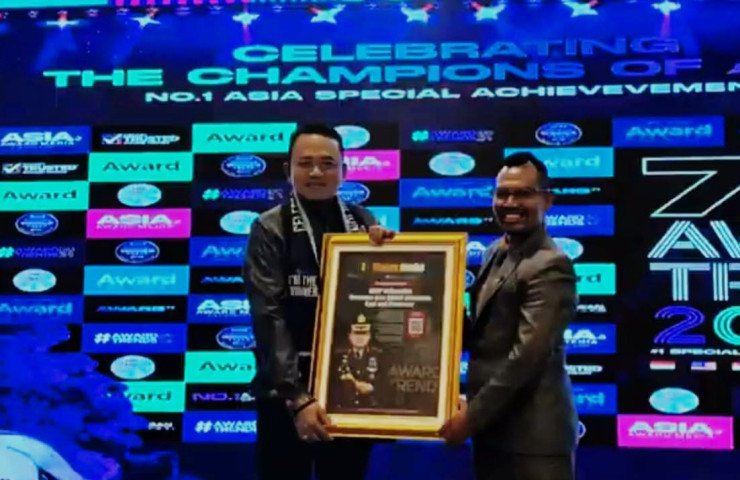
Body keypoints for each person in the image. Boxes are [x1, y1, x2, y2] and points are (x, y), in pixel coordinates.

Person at [243, 123, 393, 480]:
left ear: (344, 171)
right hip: (285, 394)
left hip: (349, 386)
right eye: (304, 163)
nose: (315, 172)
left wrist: (390, 255)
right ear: (288, 170)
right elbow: (269, 315)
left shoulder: (362, 221)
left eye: (327, 164)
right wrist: (298, 398)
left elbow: (382, 301)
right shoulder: (270, 226)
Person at [439, 152, 579, 480]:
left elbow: (526, 357)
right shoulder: (495, 251)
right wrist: (427, 295)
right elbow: (483, 335)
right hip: (494, 432)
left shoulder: (550, 264)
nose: (510, 203)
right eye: (502, 194)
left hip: (533, 440)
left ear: (547, 200)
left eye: (523, 193)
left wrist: (471, 418)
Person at [333, 313, 383, 410]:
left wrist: (355, 383)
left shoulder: (380, 357)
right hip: (344, 409)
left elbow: (383, 386)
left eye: (364, 333)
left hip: (372, 409)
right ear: (350, 336)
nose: (360, 337)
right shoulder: (338, 358)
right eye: (356, 333)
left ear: (369, 336)